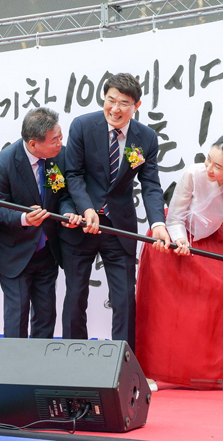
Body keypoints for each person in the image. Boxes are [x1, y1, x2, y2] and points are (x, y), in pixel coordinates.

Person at [135, 135, 223, 392]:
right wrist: (181, 241)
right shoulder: (193, 174)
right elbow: (173, 218)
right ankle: (151, 372)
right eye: (208, 160)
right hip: (172, 242)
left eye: (218, 166)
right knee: (164, 309)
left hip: (207, 244)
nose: (209, 169)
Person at [63, 72, 171, 351]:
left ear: (137, 106)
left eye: (124, 102)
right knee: (75, 296)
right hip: (82, 225)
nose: (115, 108)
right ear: (104, 98)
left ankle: (123, 364)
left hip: (120, 228)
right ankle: (75, 359)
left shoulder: (146, 137)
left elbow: (150, 185)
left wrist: (158, 222)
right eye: (111, 100)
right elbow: (73, 174)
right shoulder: (83, 126)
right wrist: (87, 208)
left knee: (124, 299)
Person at [0, 108, 83, 338]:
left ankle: (40, 367)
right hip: (16, 251)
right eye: (55, 140)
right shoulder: (4, 163)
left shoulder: (59, 156)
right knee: (17, 313)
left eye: (60, 136)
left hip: (47, 250)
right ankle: (14, 371)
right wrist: (23, 218)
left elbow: (65, 195)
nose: (61, 143)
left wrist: (68, 213)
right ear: (33, 144)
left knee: (46, 313)